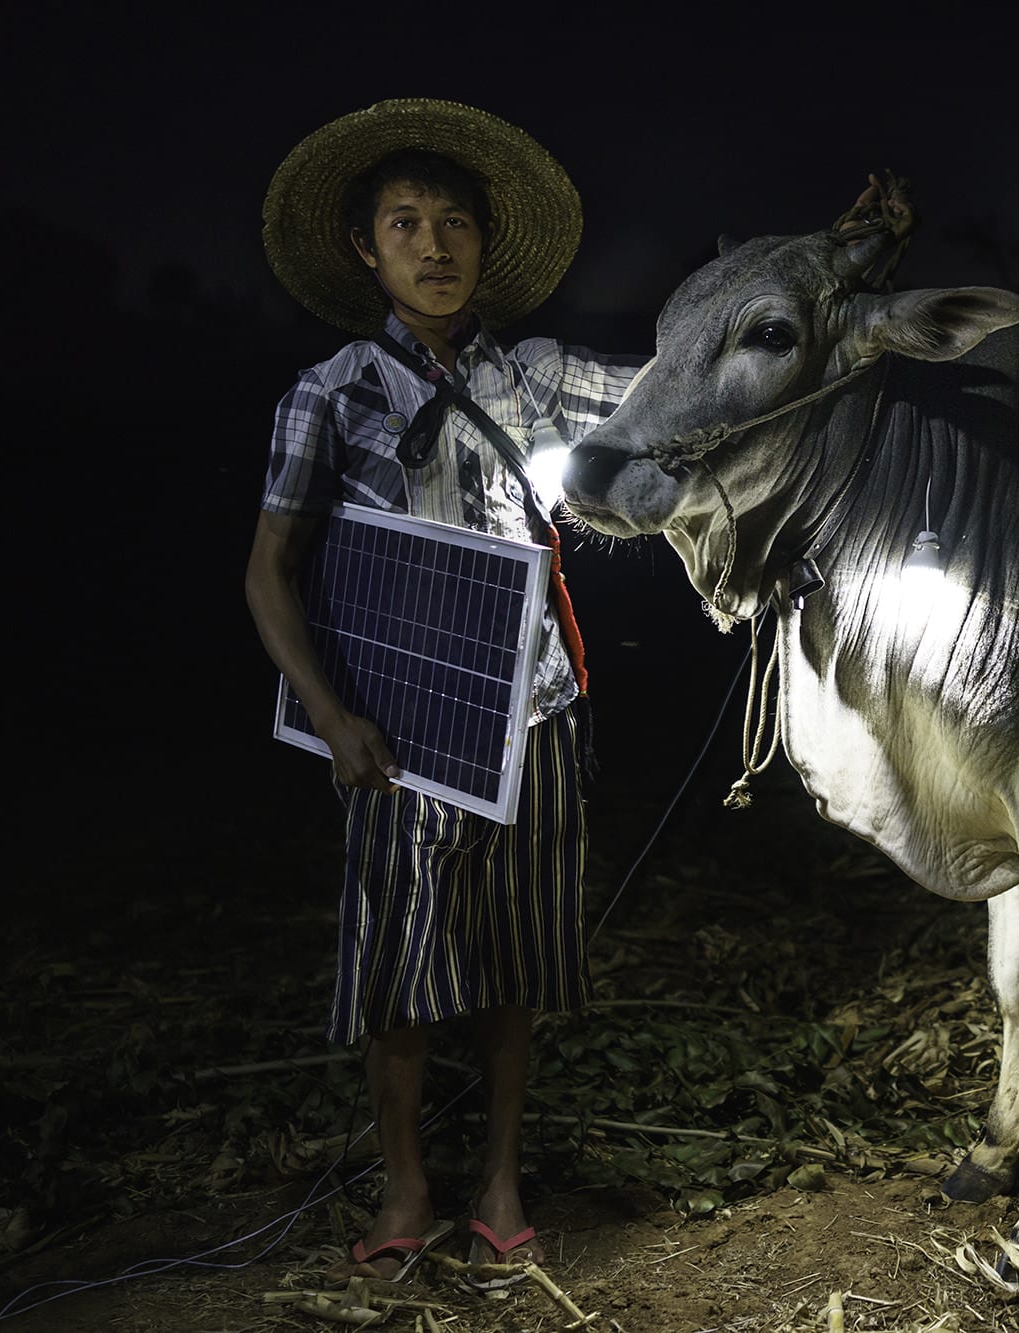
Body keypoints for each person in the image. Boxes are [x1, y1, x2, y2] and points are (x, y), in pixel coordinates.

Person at [245, 98, 645, 1289]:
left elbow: (675, 400)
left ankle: (502, 1178)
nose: (435, 246)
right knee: (401, 969)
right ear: (366, 251)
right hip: (398, 731)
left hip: (537, 713)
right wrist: (329, 714)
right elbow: (269, 575)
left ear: (483, 243)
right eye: (405, 224)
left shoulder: (537, 376)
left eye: (454, 222)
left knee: (517, 960)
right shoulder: (331, 391)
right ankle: (406, 1179)